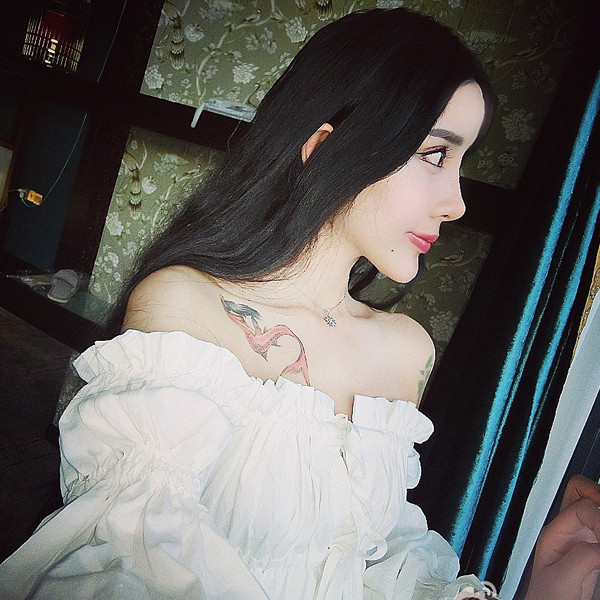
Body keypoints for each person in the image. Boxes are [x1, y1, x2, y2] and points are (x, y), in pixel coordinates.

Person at [0, 7, 598, 600]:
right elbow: (133, 556)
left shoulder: (406, 350)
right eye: (435, 155)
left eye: (460, 163)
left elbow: (378, 558)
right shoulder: (186, 305)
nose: (457, 204)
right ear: (327, 147)